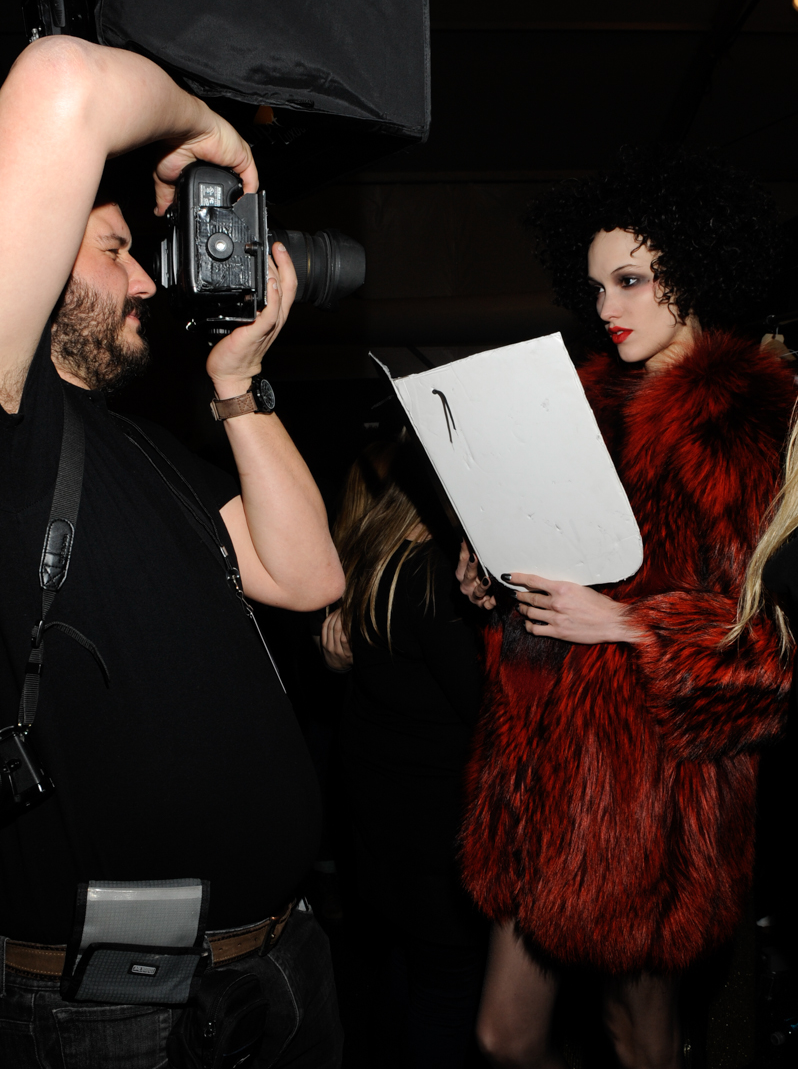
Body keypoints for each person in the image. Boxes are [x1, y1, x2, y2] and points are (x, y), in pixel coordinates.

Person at [0, 35, 345, 1067]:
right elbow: (63, 82)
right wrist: (210, 133)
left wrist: (237, 385)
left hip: (279, 964)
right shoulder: (15, 434)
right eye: (113, 250)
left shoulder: (139, 445)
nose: (148, 281)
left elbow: (306, 576)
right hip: (119, 1013)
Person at [455, 147, 796, 1069]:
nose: (607, 307)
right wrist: (493, 580)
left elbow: (771, 658)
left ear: (694, 273)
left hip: (652, 800)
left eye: (633, 280)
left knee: (640, 1040)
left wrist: (630, 624)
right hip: (536, 782)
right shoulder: (576, 407)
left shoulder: (748, 427)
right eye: (597, 285)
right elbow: (548, 576)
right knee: (502, 1036)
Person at [321, 436, 486, 1067]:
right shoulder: (430, 576)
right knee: (445, 996)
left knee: (407, 974)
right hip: (435, 837)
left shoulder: (375, 559)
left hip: (384, 829)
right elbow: (484, 710)